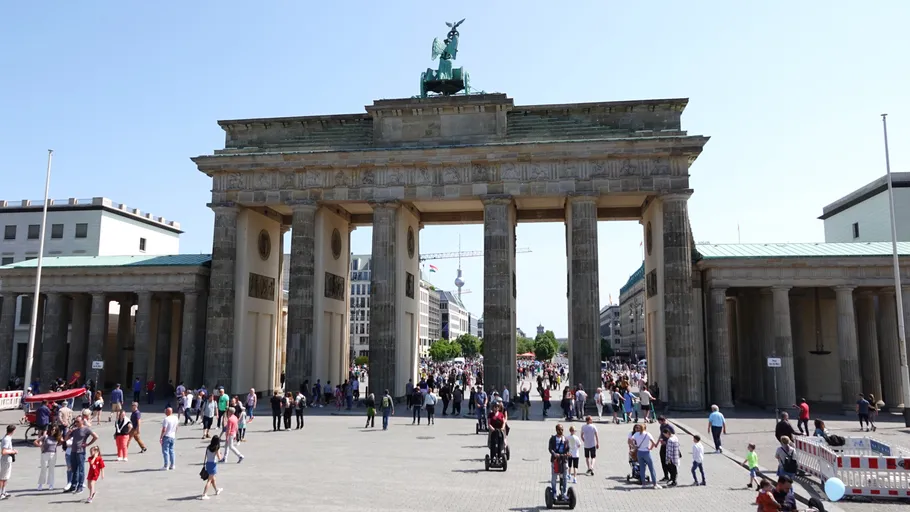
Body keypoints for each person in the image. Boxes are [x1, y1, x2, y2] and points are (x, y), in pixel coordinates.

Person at [65, 416, 97, 494]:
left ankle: (80, 486)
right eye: (75, 422)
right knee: (74, 469)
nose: (76, 423)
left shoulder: (86, 429)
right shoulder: (75, 430)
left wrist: (88, 444)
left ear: (82, 421)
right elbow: (65, 439)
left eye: (78, 422)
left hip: (81, 452)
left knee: (81, 469)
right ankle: (73, 486)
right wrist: (68, 432)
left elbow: (96, 436)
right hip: (73, 451)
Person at [630, 423, 661, 489]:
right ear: (645, 428)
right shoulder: (647, 434)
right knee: (651, 468)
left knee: (642, 468)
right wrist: (651, 448)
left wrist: (634, 446)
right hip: (646, 452)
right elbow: (654, 443)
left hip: (639, 452)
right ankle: (655, 484)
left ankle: (643, 484)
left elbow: (630, 440)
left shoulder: (636, 434)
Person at [35, 425, 62, 490]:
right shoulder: (46, 436)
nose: (53, 431)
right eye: (53, 429)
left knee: (51, 470)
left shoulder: (57, 438)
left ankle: (51, 484)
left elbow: (61, 442)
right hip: (45, 454)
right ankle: (40, 484)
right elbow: (35, 441)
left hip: (53, 454)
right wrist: (40, 446)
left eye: (55, 430)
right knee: (43, 469)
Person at [548, 424, 570, 499]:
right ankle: (554, 492)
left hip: (563, 460)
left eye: (562, 429)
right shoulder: (553, 439)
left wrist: (567, 453)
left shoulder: (565, 439)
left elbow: (568, 448)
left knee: (564, 477)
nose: (561, 431)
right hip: (555, 460)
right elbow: (550, 448)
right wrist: (554, 454)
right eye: (560, 430)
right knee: (554, 477)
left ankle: (563, 493)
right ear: (556, 430)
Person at [0, 425, 17, 499]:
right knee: (3, 477)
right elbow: (3, 451)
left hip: (8, 459)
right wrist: (13, 451)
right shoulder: (7, 439)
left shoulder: (7, 438)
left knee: (6, 477)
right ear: (13, 431)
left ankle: (3, 491)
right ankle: (1, 493)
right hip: (6, 460)